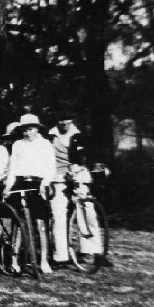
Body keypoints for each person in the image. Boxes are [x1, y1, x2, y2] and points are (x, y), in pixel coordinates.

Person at [48, 114, 110, 268]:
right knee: (58, 214)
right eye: (61, 118)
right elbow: (46, 159)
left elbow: (88, 158)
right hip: (58, 177)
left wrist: (80, 168)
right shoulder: (50, 136)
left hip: (78, 176)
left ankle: (94, 251)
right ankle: (60, 256)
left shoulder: (79, 136)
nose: (64, 122)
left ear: (72, 119)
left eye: (67, 118)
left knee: (88, 212)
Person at [3, 113, 56, 274]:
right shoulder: (18, 144)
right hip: (20, 183)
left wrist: (44, 184)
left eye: (31, 129)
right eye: (25, 130)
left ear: (37, 129)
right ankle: (14, 260)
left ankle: (44, 261)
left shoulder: (45, 144)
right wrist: (8, 186)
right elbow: (13, 169)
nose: (28, 133)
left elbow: (51, 168)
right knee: (18, 223)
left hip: (38, 183)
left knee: (40, 223)